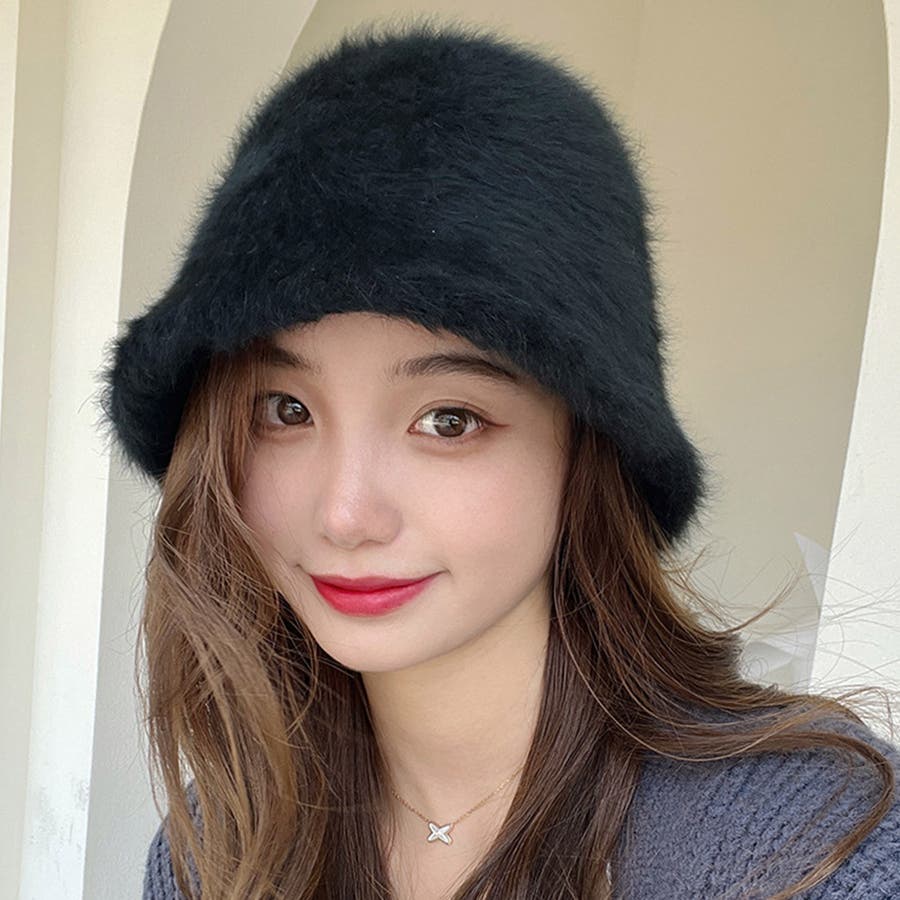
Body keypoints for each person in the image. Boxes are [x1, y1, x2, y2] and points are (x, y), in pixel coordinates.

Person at [96, 16, 900, 900]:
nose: (345, 515)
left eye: (448, 420)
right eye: (286, 411)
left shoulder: (807, 848)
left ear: (585, 445)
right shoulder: (220, 847)